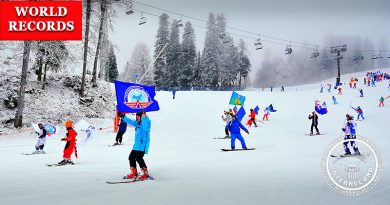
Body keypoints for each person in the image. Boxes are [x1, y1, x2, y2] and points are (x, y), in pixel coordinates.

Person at [122, 111, 151, 180]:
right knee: (131, 157)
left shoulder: (147, 121)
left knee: (139, 158)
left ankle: (145, 173)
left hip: (142, 145)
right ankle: (134, 172)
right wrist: (123, 117)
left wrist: (144, 118)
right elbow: (131, 122)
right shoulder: (137, 123)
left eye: (138, 117)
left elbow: (145, 128)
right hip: (136, 145)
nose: (137, 118)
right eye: (136, 116)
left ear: (142, 116)